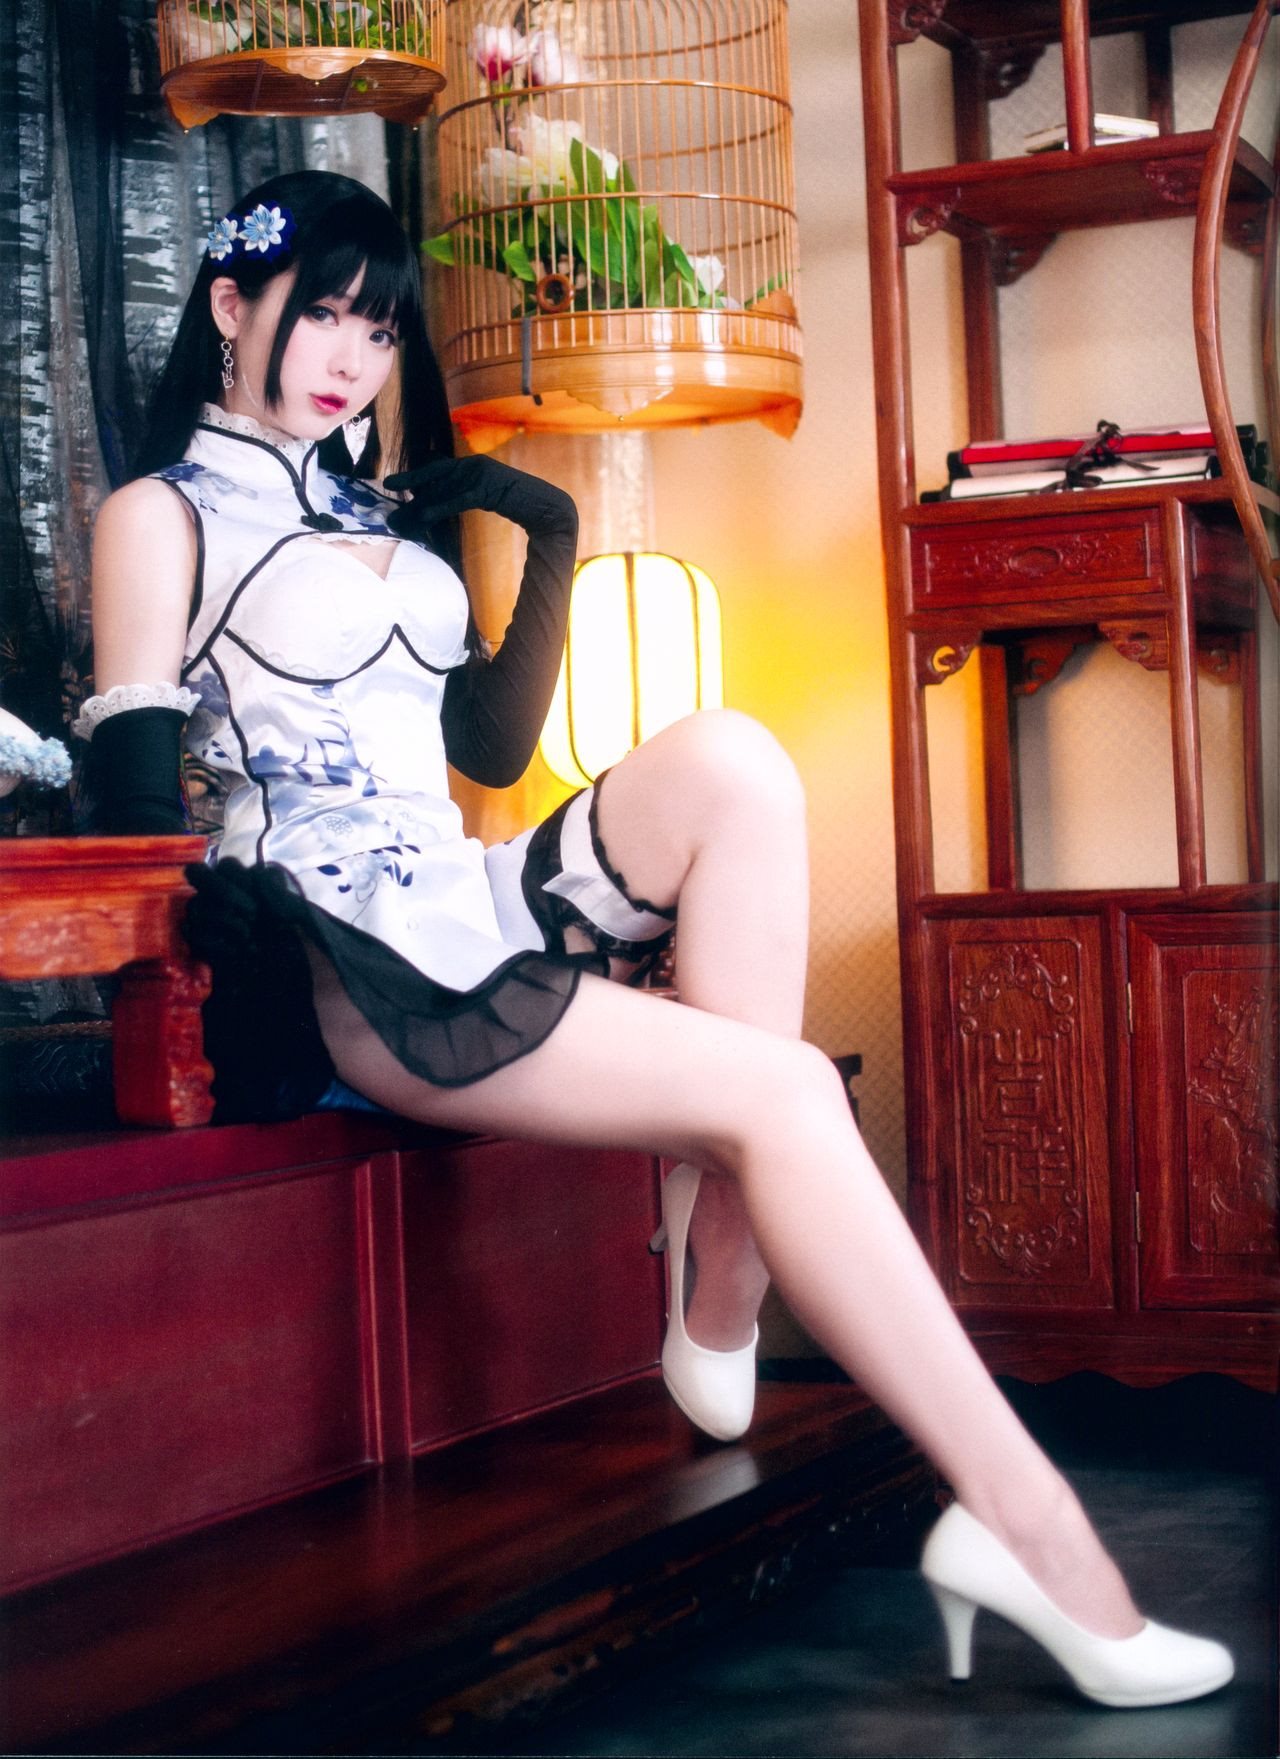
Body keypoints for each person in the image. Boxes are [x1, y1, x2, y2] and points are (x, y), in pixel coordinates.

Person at [81, 169, 1233, 1712]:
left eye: (380, 327)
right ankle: (1028, 1526)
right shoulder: (158, 515)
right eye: (324, 316)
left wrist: (540, 526)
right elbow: (135, 804)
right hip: (337, 950)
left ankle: (726, 1256)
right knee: (789, 1089)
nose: (354, 355)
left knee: (738, 760)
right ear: (231, 307)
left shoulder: (376, 510)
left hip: (458, 888)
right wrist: (197, 967)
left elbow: (491, 751)